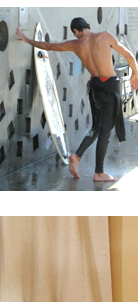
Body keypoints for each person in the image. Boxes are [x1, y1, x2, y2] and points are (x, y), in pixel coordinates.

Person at [18, 18, 138, 182]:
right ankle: (99, 172)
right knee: (105, 130)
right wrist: (135, 74)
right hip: (110, 87)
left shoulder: (75, 44)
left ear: (76, 31)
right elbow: (130, 56)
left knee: (96, 126)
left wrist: (26, 39)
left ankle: (77, 155)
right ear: (86, 26)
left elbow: (49, 46)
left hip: (95, 87)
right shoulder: (105, 36)